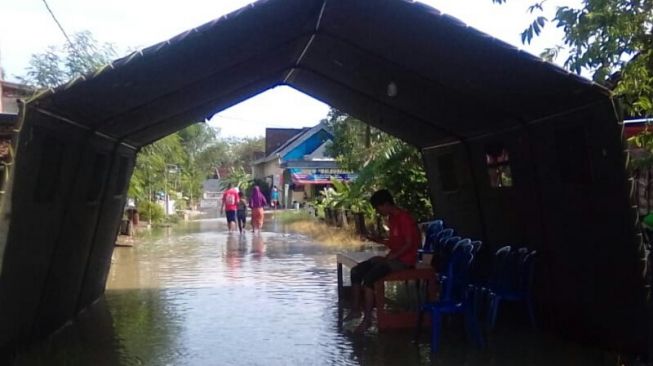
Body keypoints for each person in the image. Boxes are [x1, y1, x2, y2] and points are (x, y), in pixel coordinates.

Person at [344, 189, 421, 333]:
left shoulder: (404, 218)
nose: (378, 211)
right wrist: (376, 239)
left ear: (386, 204)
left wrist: (393, 256)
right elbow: (394, 242)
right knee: (356, 271)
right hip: (393, 257)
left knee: (369, 279)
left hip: (404, 261)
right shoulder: (391, 218)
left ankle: (367, 320)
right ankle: (355, 310)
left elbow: (409, 243)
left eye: (378, 208)